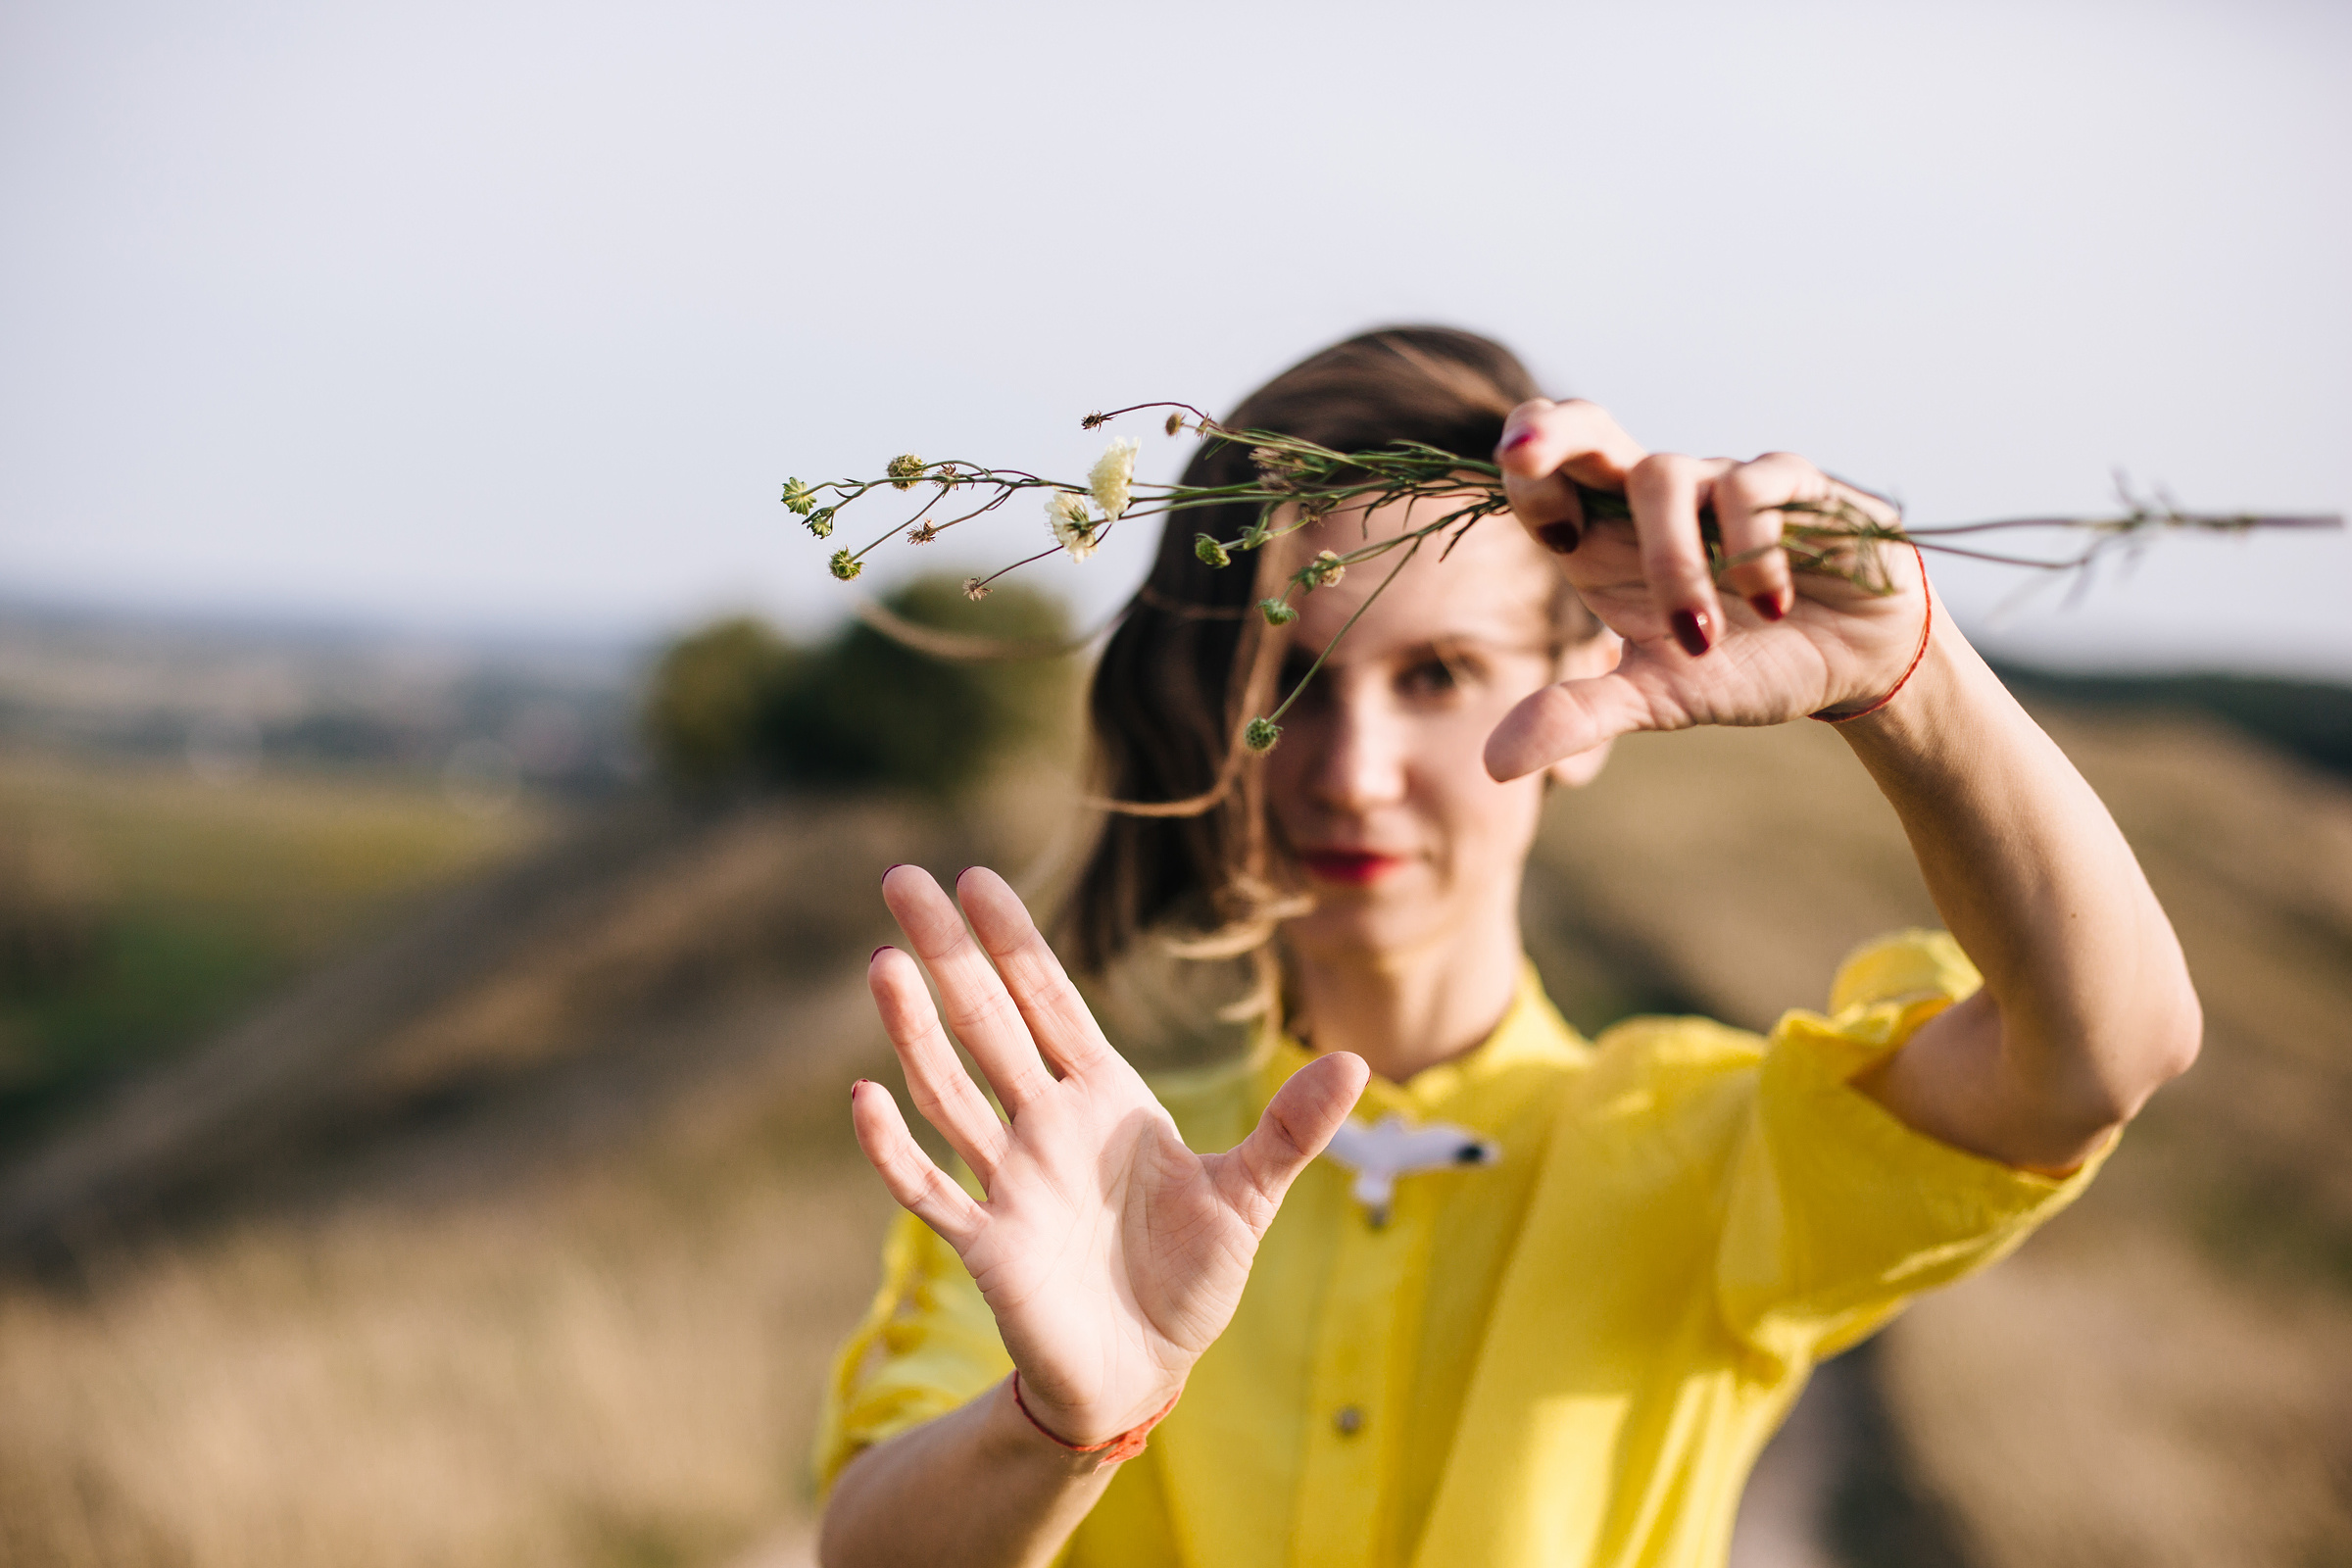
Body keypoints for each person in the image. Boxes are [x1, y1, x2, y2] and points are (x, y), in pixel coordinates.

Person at [810, 327, 2200, 1568]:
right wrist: (1058, 1421)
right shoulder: (1085, 1181)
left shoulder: (1704, 1149)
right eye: (1290, 678)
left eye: (1435, 677)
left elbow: (2101, 1055)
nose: (1351, 773)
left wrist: (1915, 677)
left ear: (1584, 679)